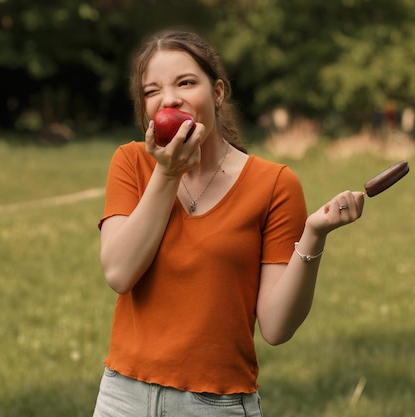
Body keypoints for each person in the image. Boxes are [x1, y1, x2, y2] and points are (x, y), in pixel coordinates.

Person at [92, 29, 364, 417]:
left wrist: (313, 236)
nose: (169, 99)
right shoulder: (131, 163)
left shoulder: (274, 184)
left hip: (215, 405)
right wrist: (167, 175)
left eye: (186, 82)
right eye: (153, 91)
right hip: (123, 397)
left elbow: (276, 327)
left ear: (218, 92)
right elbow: (119, 272)